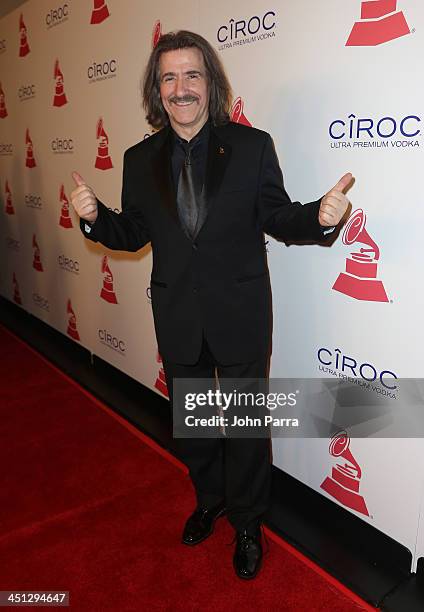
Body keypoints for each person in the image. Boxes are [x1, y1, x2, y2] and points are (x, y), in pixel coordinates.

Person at [70, 30, 350, 580]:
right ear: (157, 88)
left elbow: (276, 216)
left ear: (210, 82)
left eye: (192, 75)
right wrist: (94, 216)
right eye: (169, 77)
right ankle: (210, 499)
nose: (181, 88)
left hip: (240, 312)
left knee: (245, 427)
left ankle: (247, 521)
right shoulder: (138, 159)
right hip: (178, 315)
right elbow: (132, 233)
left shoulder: (252, 147)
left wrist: (319, 216)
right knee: (194, 425)